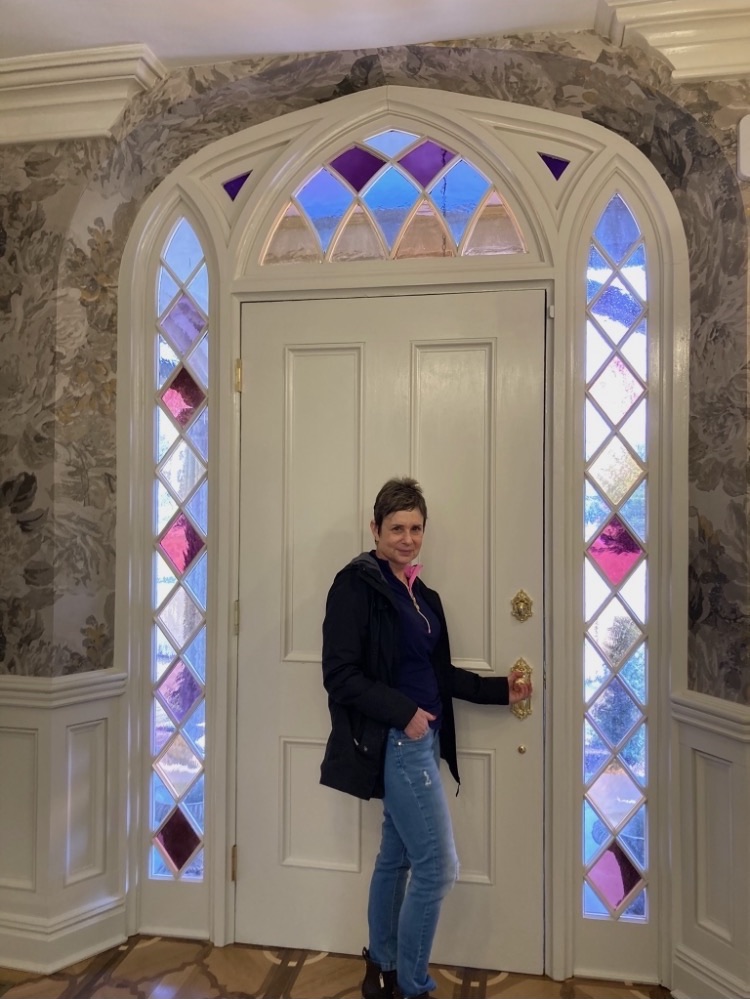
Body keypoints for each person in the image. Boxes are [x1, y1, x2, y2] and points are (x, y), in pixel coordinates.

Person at [320, 477, 532, 999]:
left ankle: (383, 973)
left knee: (396, 859)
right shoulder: (356, 587)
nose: (408, 538)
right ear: (375, 529)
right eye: (396, 528)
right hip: (397, 743)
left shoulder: (422, 594)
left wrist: (501, 690)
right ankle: (411, 986)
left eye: (416, 528)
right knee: (438, 868)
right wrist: (406, 714)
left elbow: (439, 675)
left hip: (423, 743)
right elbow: (340, 675)